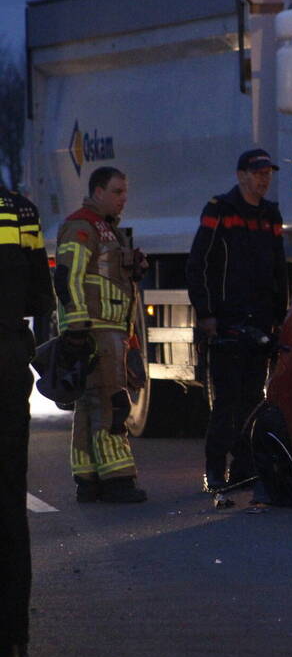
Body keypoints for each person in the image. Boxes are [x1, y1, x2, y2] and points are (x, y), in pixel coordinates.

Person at [186, 149, 288, 491]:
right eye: (258, 173)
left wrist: (279, 316)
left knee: (253, 400)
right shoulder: (221, 210)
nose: (264, 178)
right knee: (226, 401)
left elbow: (279, 269)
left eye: (267, 173)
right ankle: (215, 471)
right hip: (227, 322)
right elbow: (198, 263)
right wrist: (207, 314)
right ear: (241, 175)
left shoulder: (270, 215)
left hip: (259, 322)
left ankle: (244, 468)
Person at [54, 166, 148, 504]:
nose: (124, 199)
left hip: (108, 330)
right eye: (117, 192)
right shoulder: (83, 226)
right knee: (112, 405)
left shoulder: (107, 230)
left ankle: (89, 478)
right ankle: (118, 480)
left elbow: (105, 279)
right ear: (98, 192)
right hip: (96, 330)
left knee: (90, 406)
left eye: (125, 192)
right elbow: (68, 277)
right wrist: (77, 329)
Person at [0, 183, 55, 657]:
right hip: (7, 365)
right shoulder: (22, 211)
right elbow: (43, 297)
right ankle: (14, 637)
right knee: (10, 507)